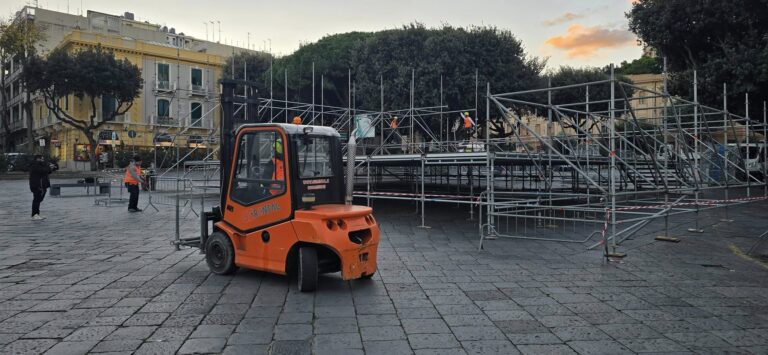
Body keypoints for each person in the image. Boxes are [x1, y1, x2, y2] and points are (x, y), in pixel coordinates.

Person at [29, 155, 55, 220]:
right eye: (42, 159)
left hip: (42, 185)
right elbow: (42, 171)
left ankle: (37, 214)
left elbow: (46, 172)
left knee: (39, 200)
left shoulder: (41, 165)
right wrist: (48, 167)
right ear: (38, 159)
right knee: (36, 200)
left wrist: (51, 168)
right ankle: (35, 214)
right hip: (37, 185)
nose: (43, 160)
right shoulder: (35, 165)